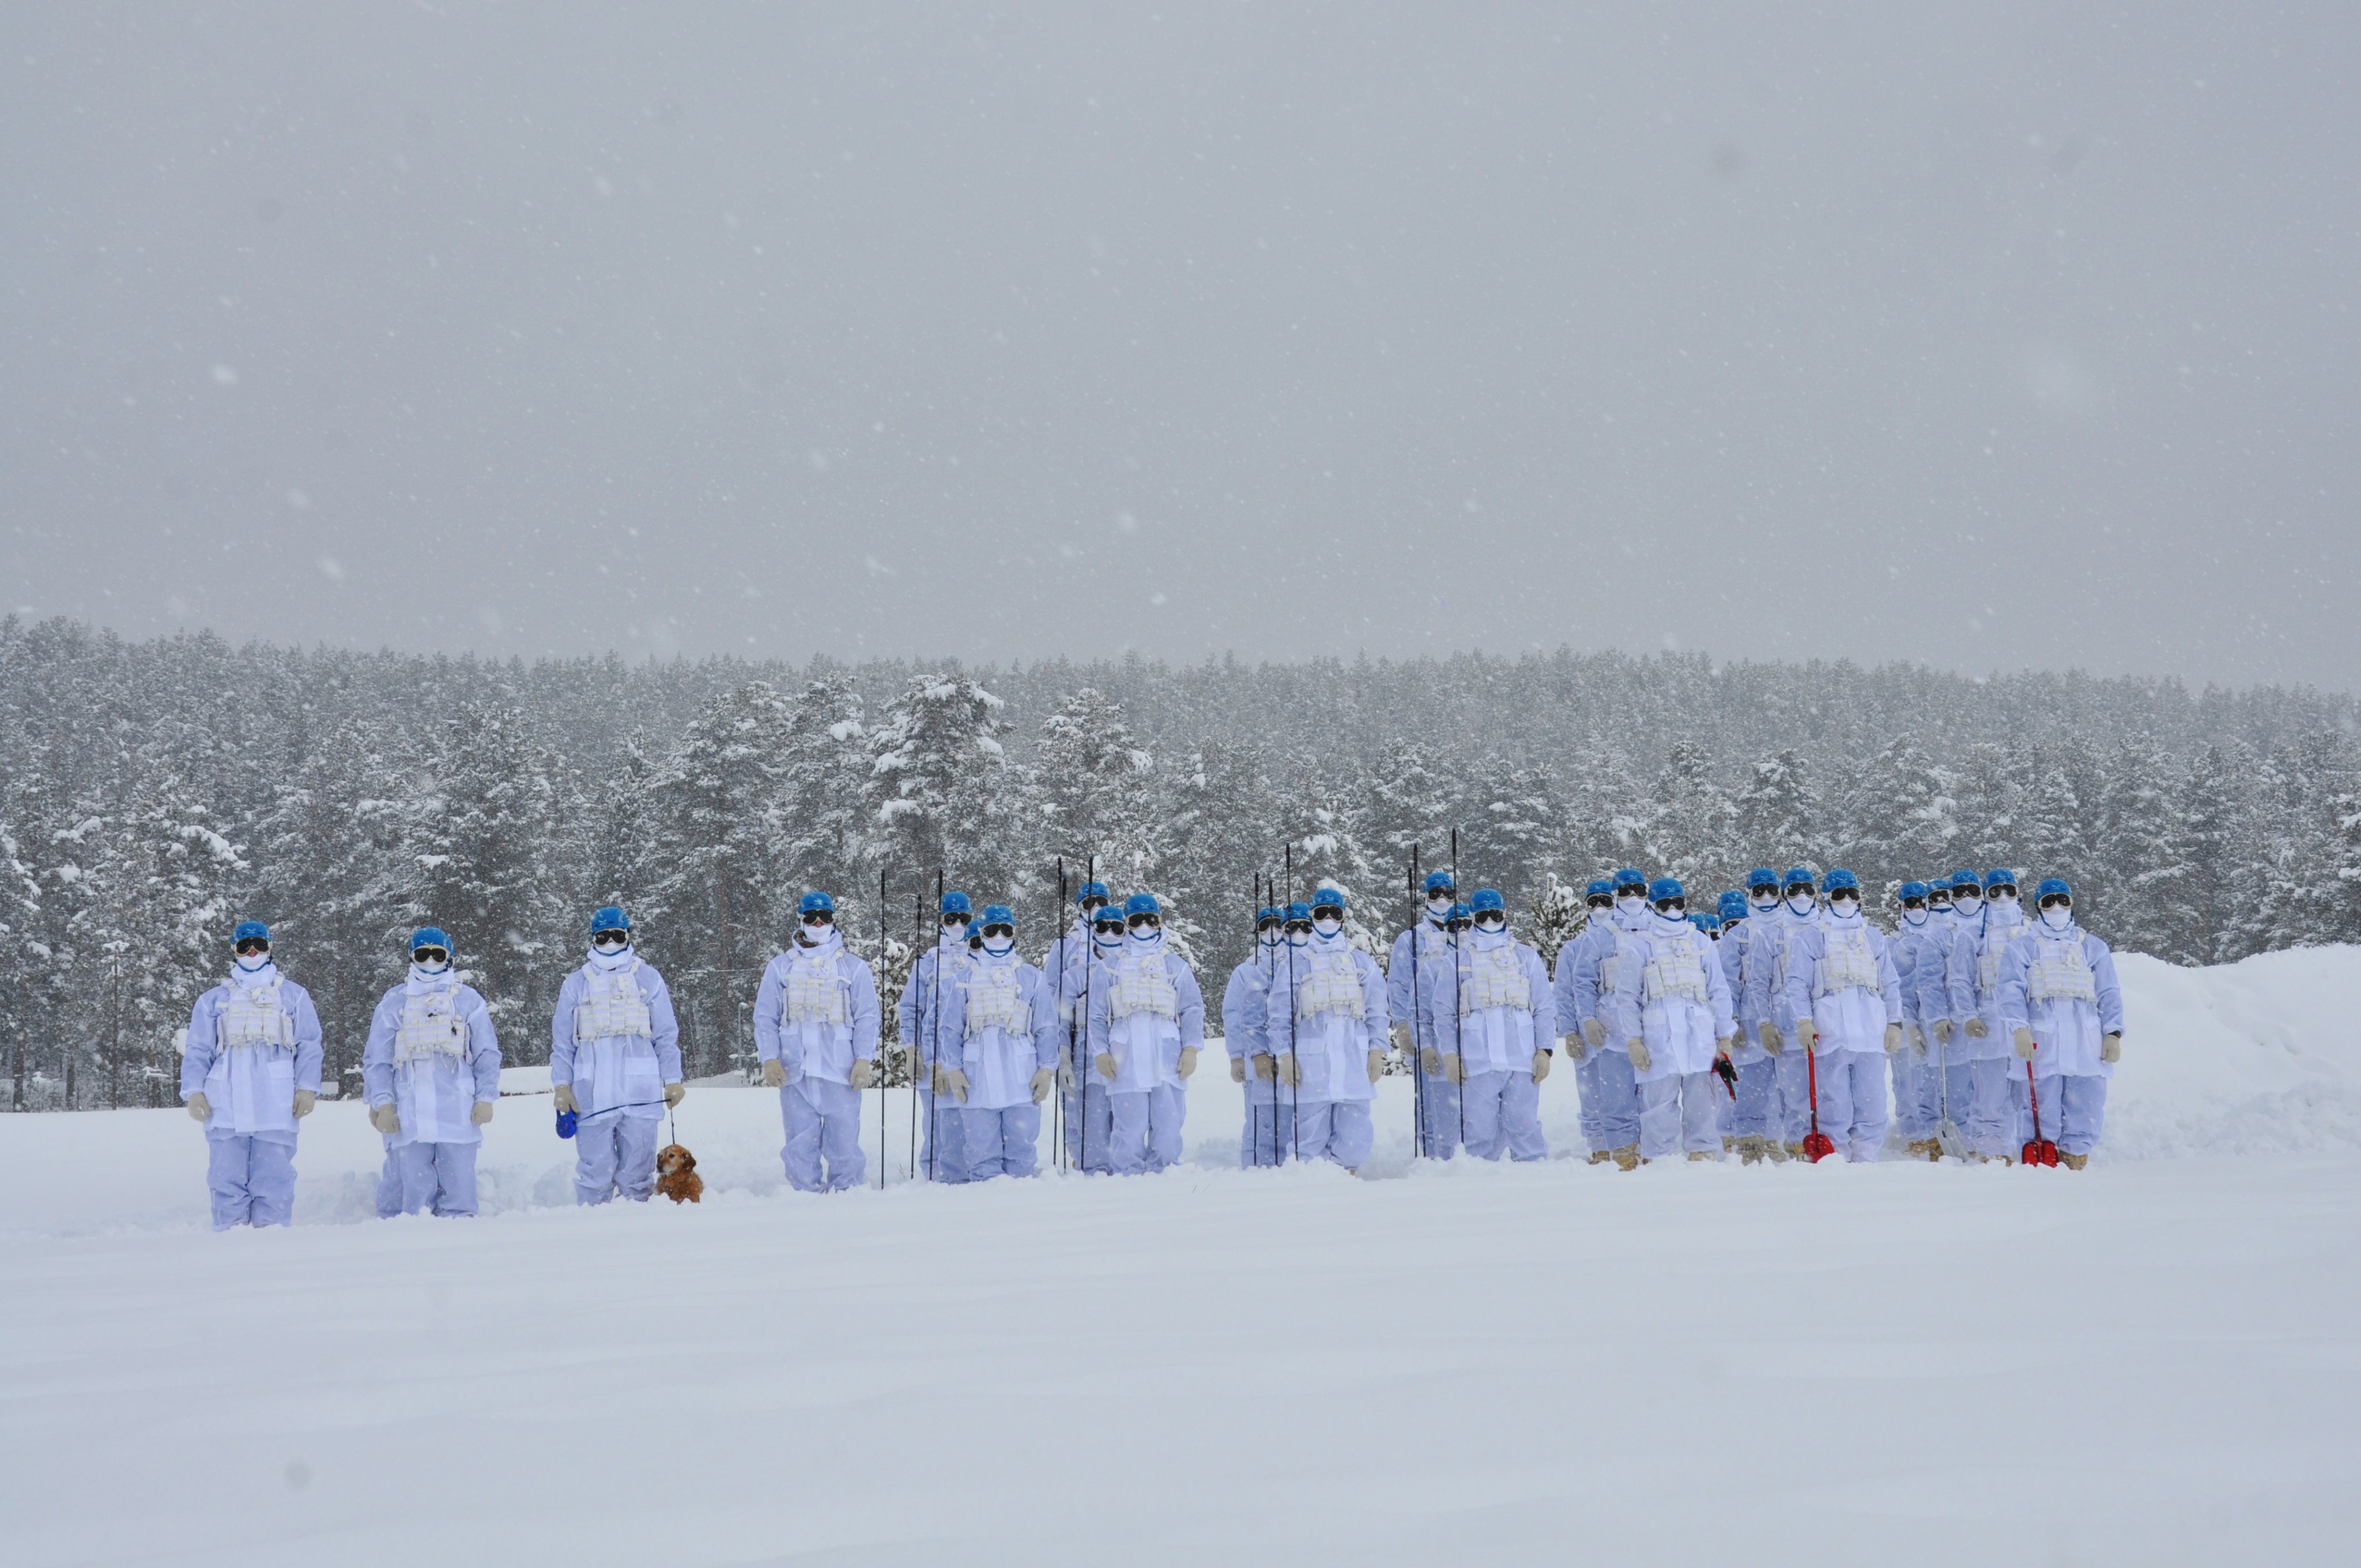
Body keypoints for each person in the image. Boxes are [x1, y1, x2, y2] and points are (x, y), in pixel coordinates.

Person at [180, 921, 324, 1229]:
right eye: (245, 946)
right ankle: (229, 1241)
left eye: (259, 944)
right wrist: (194, 1090)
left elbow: (309, 1044)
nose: (253, 951)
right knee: (225, 1178)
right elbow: (198, 1049)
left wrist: (307, 1088)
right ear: (234, 950)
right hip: (225, 1103)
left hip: (275, 1101)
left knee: (274, 1179)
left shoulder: (294, 996)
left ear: (270, 947)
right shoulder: (212, 1000)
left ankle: (271, 1242)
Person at [362, 927, 501, 1216]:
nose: (429, 962)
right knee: (409, 1190)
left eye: (437, 955)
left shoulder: (467, 1000)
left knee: (459, 1185)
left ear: (449, 959)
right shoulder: (394, 1002)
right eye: (422, 955)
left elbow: (487, 1053)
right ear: (411, 958)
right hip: (408, 1112)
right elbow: (378, 1059)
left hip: (457, 1108)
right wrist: (382, 1103)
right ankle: (409, 1239)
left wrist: (485, 1096)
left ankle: (459, 1237)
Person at [550, 906, 684, 1204]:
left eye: (616, 936)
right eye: (603, 937)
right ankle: (592, 1233)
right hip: (591, 1094)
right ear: (593, 939)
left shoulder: (648, 978)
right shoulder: (575, 984)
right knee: (594, 1172)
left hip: (640, 1092)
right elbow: (562, 1043)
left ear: (627, 936)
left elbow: (665, 1034)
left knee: (637, 1175)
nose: (610, 943)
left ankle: (637, 1237)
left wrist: (673, 1079)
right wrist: (562, 1085)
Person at [753, 891, 881, 1192]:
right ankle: (803, 1200)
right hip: (795, 1073)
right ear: (801, 920)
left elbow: (868, 1016)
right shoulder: (780, 967)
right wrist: (769, 1058)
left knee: (845, 1145)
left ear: (834, 920)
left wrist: (864, 1058)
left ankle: (847, 1198)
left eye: (825, 916)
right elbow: (765, 1017)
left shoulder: (853, 967)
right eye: (811, 917)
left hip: (840, 1072)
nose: (819, 922)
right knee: (799, 1146)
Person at [1996, 879, 2124, 1169]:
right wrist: (2019, 1028)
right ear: (2038, 907)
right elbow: (2009, 989)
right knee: (2040, 1104)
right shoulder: (2023, 947)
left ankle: (2076, 1157)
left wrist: (2113, 1032)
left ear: (2072, 903)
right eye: (2049, 901)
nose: (2057, 907)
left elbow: (2109, 991)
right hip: (2042, 1038)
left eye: (2062, 900)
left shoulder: (2093, 947)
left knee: (2087, 1101)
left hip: (2085, 1038)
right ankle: (2041, 1158)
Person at [1777, 869, 1903, 1162]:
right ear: (1828, 899)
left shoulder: (1873, 937)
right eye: (1838, 895)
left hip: (1871, 1029)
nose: (1846, 900)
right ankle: (1836, 1153)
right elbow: (1797, 984)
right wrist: (1804, 1020)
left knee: (1873, 1098)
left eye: (1852, 894)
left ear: (1860, 898)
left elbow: (1891, 983)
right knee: (1834, 1099)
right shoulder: (1812, 937)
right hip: (1831, 1029)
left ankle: (1866, 1152)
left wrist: (1895, 1022)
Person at [1417, 892, 1552, 1162]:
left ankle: (1535, 1184)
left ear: (1505, 914)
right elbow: (1444, 1013)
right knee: (1479, 1132)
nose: (1490, 921)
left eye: (1496, 915)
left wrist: (1544, 1050)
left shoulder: (1527, 958)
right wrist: (1451, 1055)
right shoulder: (1457, 961)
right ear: (1473, 919)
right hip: (1477, 1061)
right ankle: (1482, 1188)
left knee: (1524, 1127)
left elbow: (1545, 1006)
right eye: (1482, 916)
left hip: (1521, 1059)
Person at [1609, 879, 1737, 1163]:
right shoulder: (1640, 947)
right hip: (1658, 1037)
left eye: (1677, 904)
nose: (1671, 910)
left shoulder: (1701, 943)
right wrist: (1633, 1040)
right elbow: (1627, 997)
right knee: (1658, 1105)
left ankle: (1702, 1155)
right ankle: (1660, 1160)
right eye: (1664, 905)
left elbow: (1718, 990)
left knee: (1702, 1102)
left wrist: (1724, 1035)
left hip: (1699, 1034)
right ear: (1653, 907)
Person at [1263, 889, 1387, 1171]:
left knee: (1355, 1129)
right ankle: (1310, 1187)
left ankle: (1348, 1176)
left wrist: (1377, 1050)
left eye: (1335, 913)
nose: (1328, 919)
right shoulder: (1296, 963)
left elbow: (1378, 1010)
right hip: (1311, 1062)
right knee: (1309, 1132)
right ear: (1312, 917)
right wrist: (1283, 1055)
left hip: (1354, 1058)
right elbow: (1279, 1014)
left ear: (1344, 918)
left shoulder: (1361, 962)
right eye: (1321, 913)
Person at [1087, 893, 1205, 1174]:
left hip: (1166, 1058)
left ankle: (1165, 1178)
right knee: (1129, 1130)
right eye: (1137, 920)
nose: (1144, 926)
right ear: (1126, 923)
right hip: (1125, 1058)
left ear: (1159, 922)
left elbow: (1192, 1008)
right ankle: (1129, 1183)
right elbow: (1096, 1015)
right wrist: (1100, 1052)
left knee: (1168, 1130)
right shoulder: (1109, 967)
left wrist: (1191, 1048)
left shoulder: (1175, 965)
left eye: (1150, 920)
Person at [942, 905, 1060, 1180]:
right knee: (981, 1151)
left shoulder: (1032, 977)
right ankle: (987, 1211)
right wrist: (953, 1068)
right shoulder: (962, 981)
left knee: (1022, 1150)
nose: (998, 937)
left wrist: (1046, 1069)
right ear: (981, 934)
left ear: (1014, 933)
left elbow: (1046, 1026)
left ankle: (1021, 1211)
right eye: (991, 931)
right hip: (977, 1077)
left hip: (1021, 1076)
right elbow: (950, 1029)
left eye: (1005, 930)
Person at [1553, 870, 1650, 1168]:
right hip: (1602, 1030)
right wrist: (1574, 1028)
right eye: (1593, 902)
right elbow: (1569, 990)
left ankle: (1645, 1146)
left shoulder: (1650, 932)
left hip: (1641, 1025)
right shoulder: (1579, 945)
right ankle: (1604, 1146)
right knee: (1599, 1095)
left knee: (1645, 1094)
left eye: (1604, 901)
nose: (1600, 908)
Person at [1948, 868, 2027, 1162]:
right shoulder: (1973, 936)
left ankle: (2025, 1144)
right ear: (1986, 896)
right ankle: (1992, 1150)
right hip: (1989, 1022)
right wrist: (1968, 1015)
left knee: (2027, 1093)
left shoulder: (2032, 932)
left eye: (2009, 890)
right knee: (1990, 1095)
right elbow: (1960, 979)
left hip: (2026, 1027)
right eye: (1995, 891)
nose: (2003, 897)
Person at [1747, 866, 1826, 1159]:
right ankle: (1798, 1143)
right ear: (1784, 895)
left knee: (1831, 1092)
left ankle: (1829, 1140)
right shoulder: (1771, 935)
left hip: (1827, 1025)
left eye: (1808, 889)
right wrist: (1765, 1023)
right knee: (1795, 1094)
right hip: (1787, 1027)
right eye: (1794, 890)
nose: (1802, 896)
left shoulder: (1829, 930)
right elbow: (1757, 983)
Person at [900, 891, 975, 1183]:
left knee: (971, 1123)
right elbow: (910, 1010)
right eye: (951, 918)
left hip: (968, 1057)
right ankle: (934, 1179)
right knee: (937, 1125)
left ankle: (973, 1177)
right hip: (932, 1060)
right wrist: (912, 1050)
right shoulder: (927, 964)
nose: (957, 924)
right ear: (941, 921)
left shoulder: (981, 959)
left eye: (963, 918)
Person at [1389, 869, 1461, 1159]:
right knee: (1432, 1100)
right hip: (1426, 1029)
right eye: (1435, 894)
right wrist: (1404, 1026)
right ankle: (1432, 1158)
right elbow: (1398, 984)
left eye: (1448, 894)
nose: (1442, 899)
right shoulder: (1411, 939)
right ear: (1425, 898)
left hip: (1462, 1029)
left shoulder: (1466, 930)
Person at [1044, 880, 1114, 1171]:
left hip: (1115, 1031)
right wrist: (1059, 1048)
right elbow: (1051, 993)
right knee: (1078, 1103)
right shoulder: (1065, 945)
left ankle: (1120, 1159)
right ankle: (1082, 1157)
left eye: (1100, 901)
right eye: (1088, 903)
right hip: (1079, 1032)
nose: (1095, 908)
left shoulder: (1119, 934)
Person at [1223, 904, 1293, 1166]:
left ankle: (1289, 1170)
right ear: (1257, 931)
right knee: (1260, 1121)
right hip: (1256, 1059)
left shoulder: (1296, 965)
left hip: (1289, 1058)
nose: (1272, 931)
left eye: (1278, 924)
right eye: (1265, 926)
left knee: (1290, 1117)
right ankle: (1255, 1171)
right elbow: (1233, 1016)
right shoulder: (1245, 972)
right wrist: (1237, 1057)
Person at [1715, 889, 1778, 1163]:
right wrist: (1734, 1020)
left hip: (1783, 1018)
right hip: (1751, 1021)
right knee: (1752, 1084)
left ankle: (1778, 1138)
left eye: (1771, 889)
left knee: (1784, 1085)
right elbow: (1728, 983)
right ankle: (1749, 1140)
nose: (1766, 896)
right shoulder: (1737, 937)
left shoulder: (1785, 929)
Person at [1888, 881, 1944, 1158]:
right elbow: (1896, 985)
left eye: (1922, 903)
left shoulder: (1944, 935)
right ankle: (1914, 1135)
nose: (1918, 909)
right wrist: (1905, 1022)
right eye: (1911, 904)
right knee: (1906, 1080)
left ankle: (1935, 1131)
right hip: (1905, 1017)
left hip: (1936, 1018)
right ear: (1902, 908)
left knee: (1934, 1079)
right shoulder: (1894, 943)